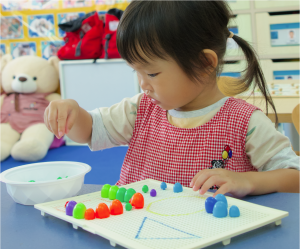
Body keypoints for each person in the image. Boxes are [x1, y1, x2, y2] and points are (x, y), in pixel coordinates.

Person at [44, 1, 299, 198]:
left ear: (204, 64)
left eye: (152, 73)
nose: (142, 83)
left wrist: (249, 181)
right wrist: (73, 114)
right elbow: (89, 131)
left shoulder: (245, 123)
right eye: (137, 71)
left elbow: (294, 178)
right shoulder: (139, 109)